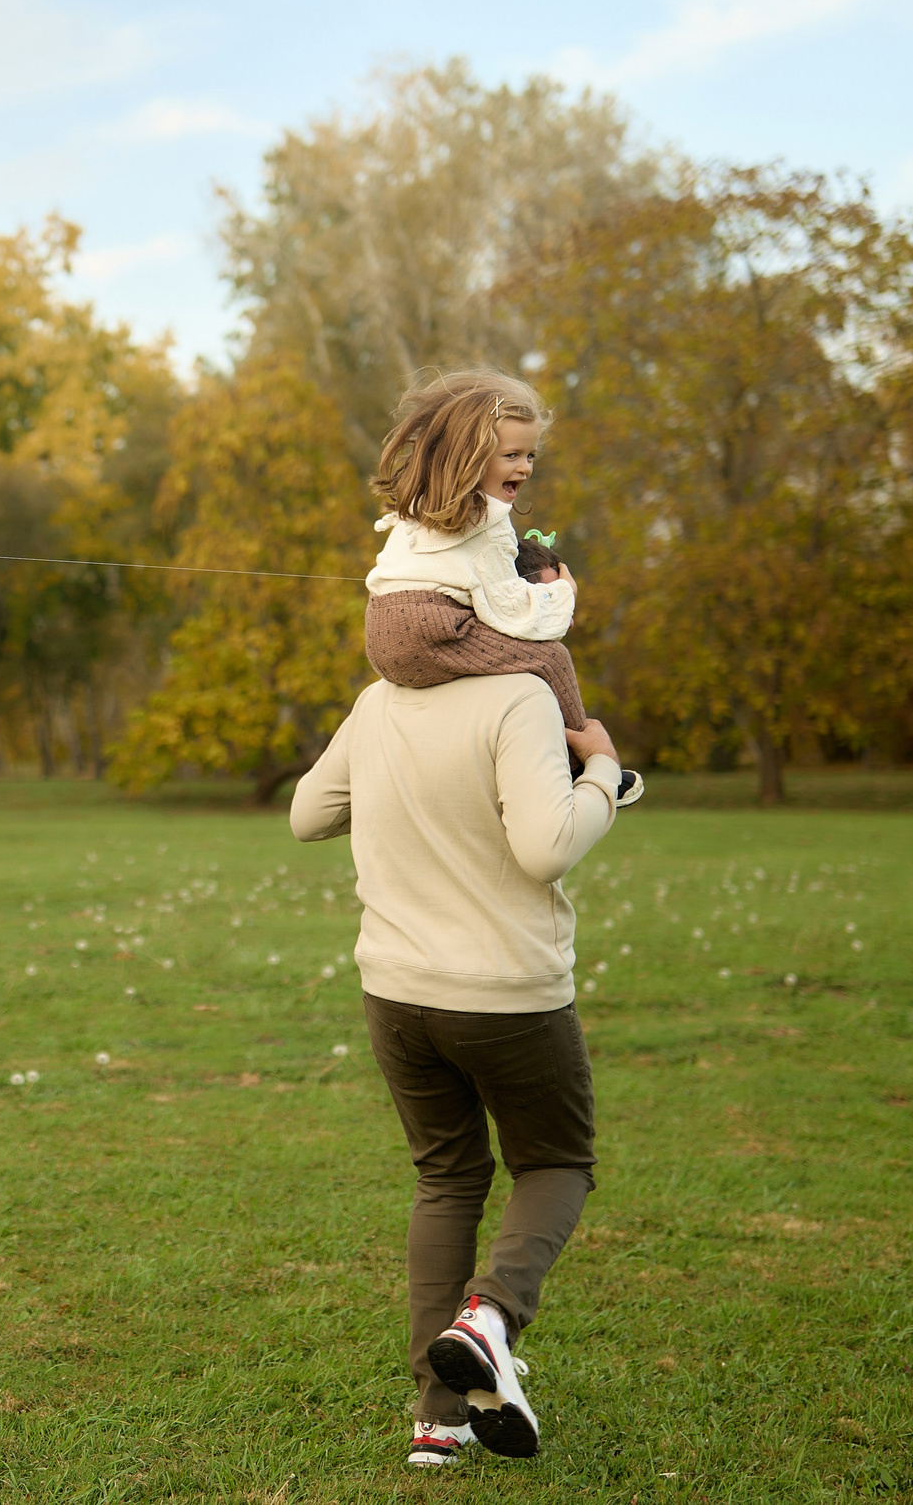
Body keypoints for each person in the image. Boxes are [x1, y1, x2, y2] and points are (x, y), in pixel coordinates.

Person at [291, 618, 623, 1472]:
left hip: (395, 992)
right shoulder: (522, 696)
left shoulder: (377, 700)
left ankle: (440, 1419)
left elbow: (308, 814)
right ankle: (490, 1315)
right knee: (555, 1162)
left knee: (446, 1174)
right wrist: (605, 775)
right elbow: (547, 847)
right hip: (506, 991)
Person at [361, 369, 641, 806]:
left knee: (496, 672)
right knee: (549, 659)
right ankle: (577, 767)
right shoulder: (486, 523)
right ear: (471, 457)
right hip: (431, 630)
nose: (524, 468)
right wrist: (559, 595)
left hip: (380, 635)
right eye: (512, 455)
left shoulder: (424, 509)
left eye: (530, 456)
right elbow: (507, 610)